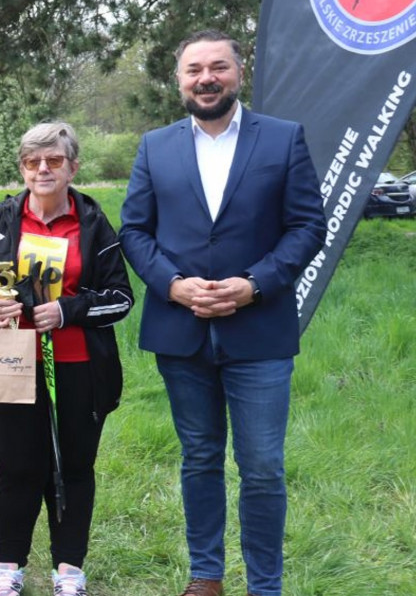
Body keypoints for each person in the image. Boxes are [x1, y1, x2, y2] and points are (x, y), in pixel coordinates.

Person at [119, 30, 327, 596]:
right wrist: (174, 286)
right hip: (181, 330)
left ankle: (265, 586)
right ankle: (206, 577)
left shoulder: (282, 139)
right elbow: (134, 231)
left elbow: (309, 225)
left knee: (261, 467)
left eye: (218, 67)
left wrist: (254, 284)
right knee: (200, 458)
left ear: (240, 73)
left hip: (258, 330)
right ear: (179, 80)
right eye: (193, 70)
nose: (206, 78)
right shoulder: (154, 146)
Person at [0, 122, 133, 596]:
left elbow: (121, 299)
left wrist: (68, 310)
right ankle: (8, 568)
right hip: (12, 363)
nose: (43, 169)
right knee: (15, 468)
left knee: (73, 466)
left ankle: (69, 571)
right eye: (33, 161)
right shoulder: (1, 220)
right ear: (22, 167)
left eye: (54, 160)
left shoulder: (94, 223)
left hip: (79, 368)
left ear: (73, 167)